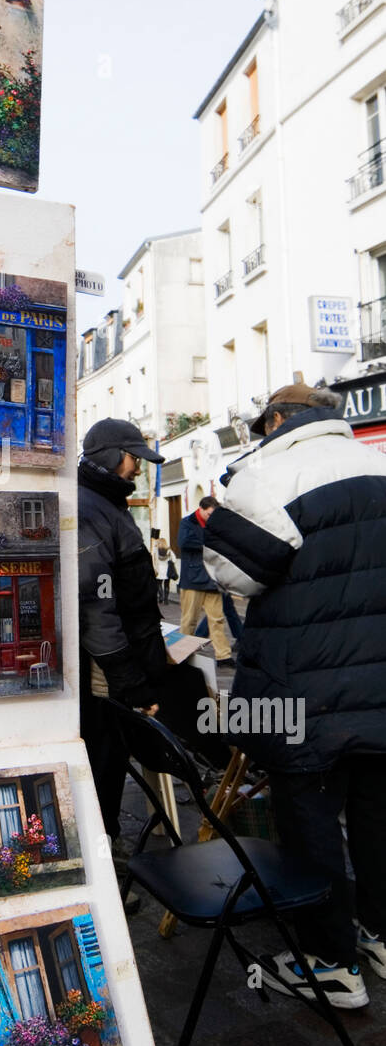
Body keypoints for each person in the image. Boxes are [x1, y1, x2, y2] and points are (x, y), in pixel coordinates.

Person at [203, 383, 386, 1009]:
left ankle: (331, 963)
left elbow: (235, 572)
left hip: (302, 693)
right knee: (376, 814)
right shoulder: (379, 461)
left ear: (278, 420)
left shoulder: (265, 473)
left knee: (309, 824)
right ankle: (379, 934)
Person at [78, 420, 218, 905]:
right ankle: (100, 862)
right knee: (103, 756)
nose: (138, 466)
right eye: (134, 457)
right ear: (112, 456)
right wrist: (127, 678)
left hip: (126, 662)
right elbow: (97, 606)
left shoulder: (103, 504)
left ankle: (106, 848)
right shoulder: (91, 506)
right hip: (110, 669)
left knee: (111, 756)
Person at [177, 496, 234, 667]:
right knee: (189, 620)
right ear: (201, 509)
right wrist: (209, 544)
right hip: (192, 579)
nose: (211, 517)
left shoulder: (215, 524)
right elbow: (184, 542)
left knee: (217, 620)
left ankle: (223, 656)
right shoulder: (187, 522)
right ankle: (182, 654)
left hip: (212, 579)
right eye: (209, 514)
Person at [154, 538, 177, 605]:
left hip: (159, 570)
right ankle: (166, 600)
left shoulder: (156, 551)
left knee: (159, 584)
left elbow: (153, 558)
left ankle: (161, 597)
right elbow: (174, 559)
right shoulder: (169, 551)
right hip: (167, 571)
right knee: (167, 585)